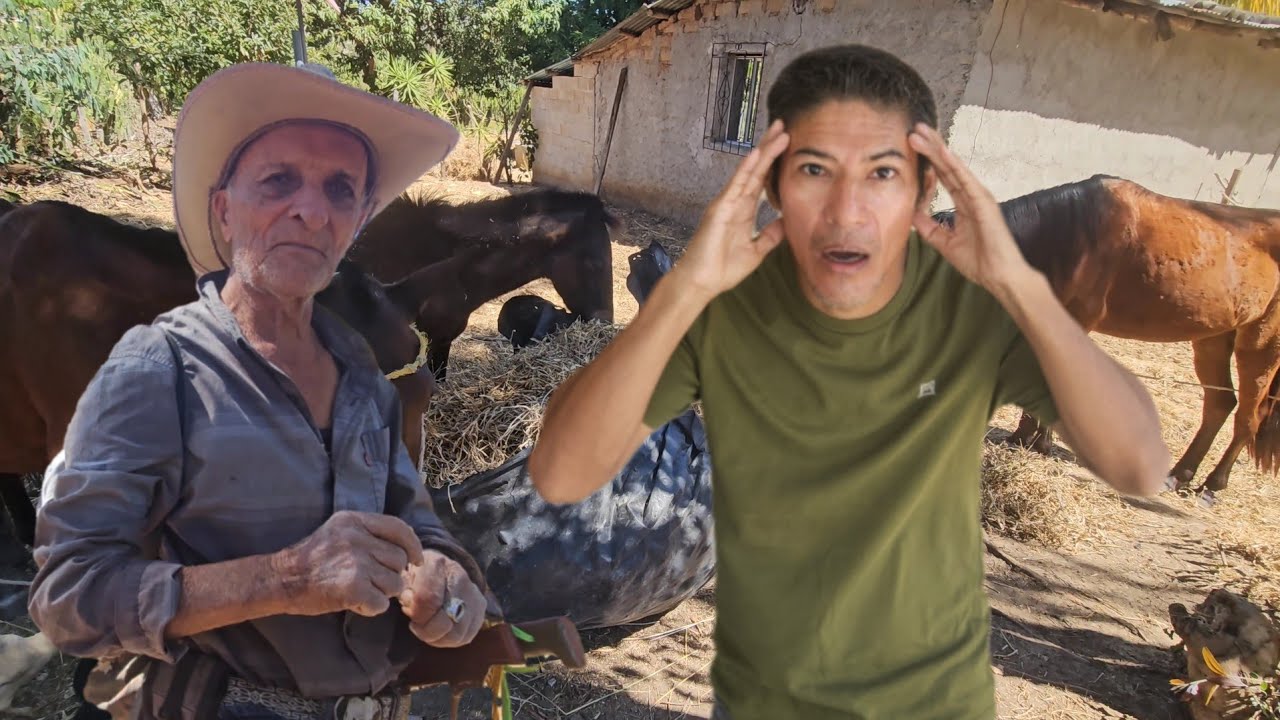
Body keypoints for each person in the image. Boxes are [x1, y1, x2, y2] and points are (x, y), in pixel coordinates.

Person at [527, 44, 1170, 720]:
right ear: (773, 188)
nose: (847, 210)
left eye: (882, 173)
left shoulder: (974, 308)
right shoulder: (725, 307)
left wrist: (1021, 287)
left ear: (924, 192)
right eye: (814, 170)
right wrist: (682, 291)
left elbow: (1140, 464)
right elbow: (561, 474)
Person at [27, 62, 491, 720]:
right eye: (278, 181)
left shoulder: (358, 369)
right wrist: (286, 579)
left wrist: (452, 587)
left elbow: (418, 526)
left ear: (357, 220)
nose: (310, 210)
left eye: (340, 190)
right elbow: (67, 600)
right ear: (224, 208)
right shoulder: (159, 367)